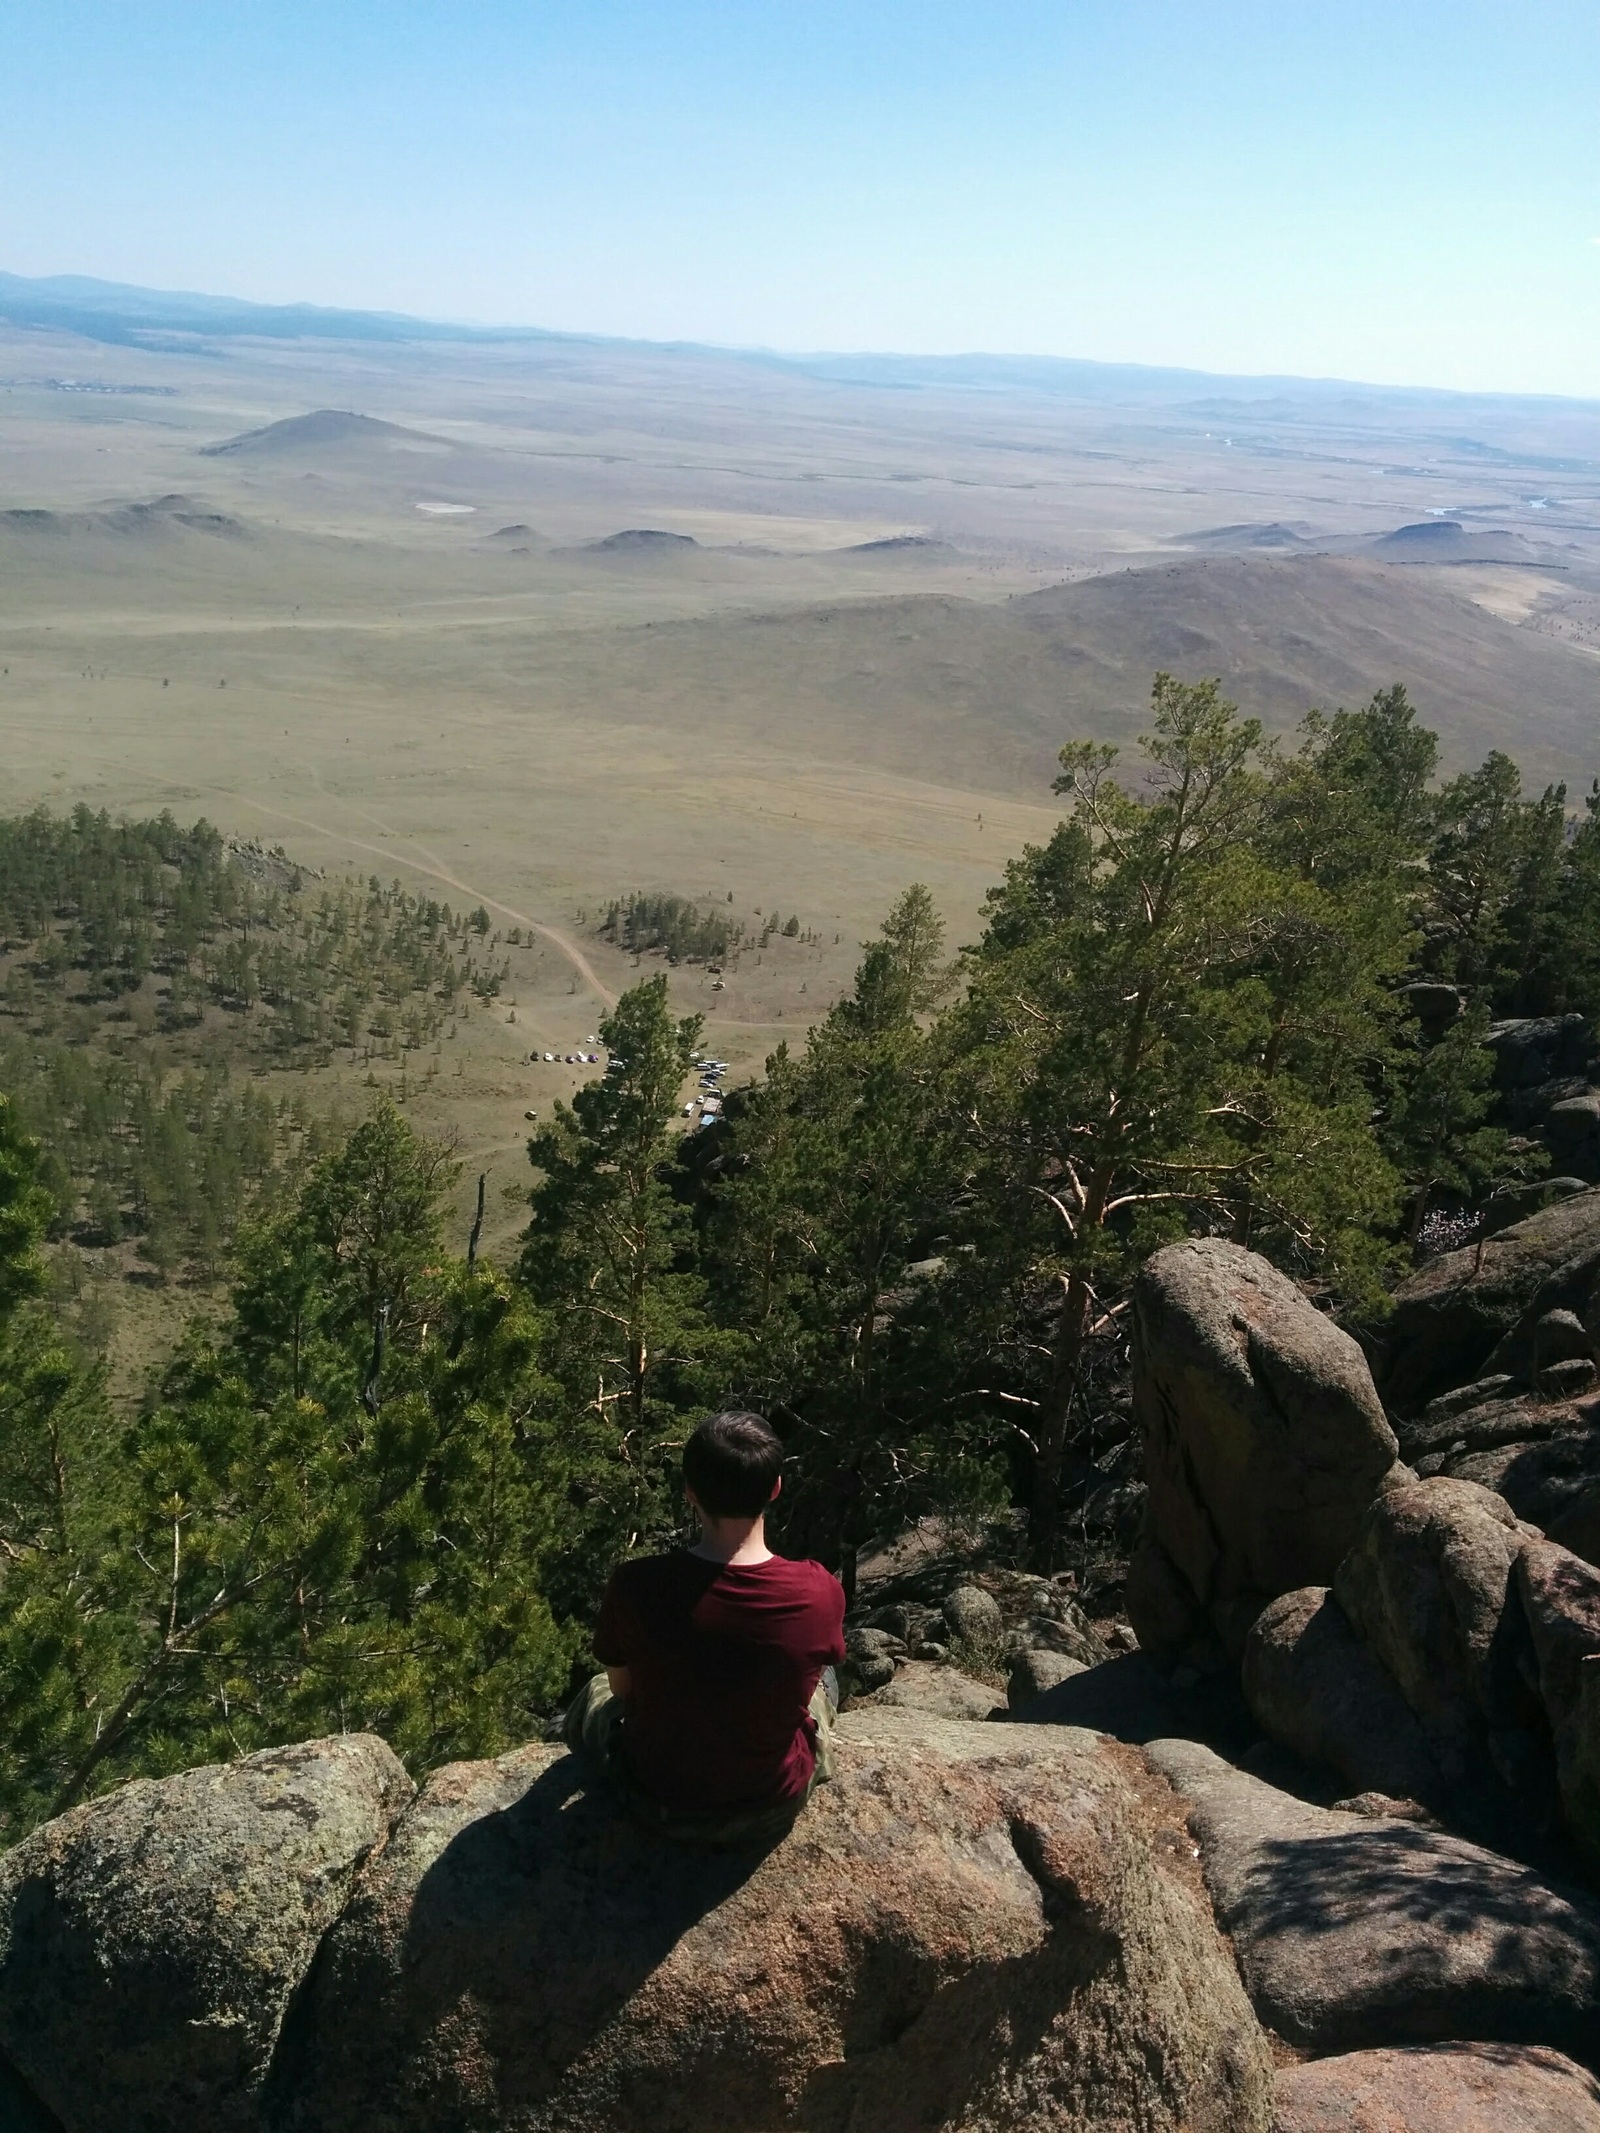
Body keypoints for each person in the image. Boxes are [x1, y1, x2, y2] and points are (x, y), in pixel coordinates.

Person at [564, 1410, 846, 1846]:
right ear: (775, 1488)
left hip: (654, 1802)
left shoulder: (636, 1584)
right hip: (769, 1807)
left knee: (596, 1690)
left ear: (690, 1493)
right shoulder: (819, 1590)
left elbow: (622, 1691)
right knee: (822, 1680)